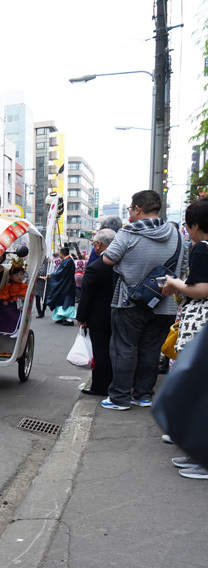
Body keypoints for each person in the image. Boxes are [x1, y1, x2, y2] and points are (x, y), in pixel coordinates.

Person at [99, 190, 181, 411]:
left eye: (130, 209)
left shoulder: (128, 232)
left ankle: (119, 398)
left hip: (129, 300)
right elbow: (182, 269)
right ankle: (144, 395)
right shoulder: (176, 233)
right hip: (164, 303)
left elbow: (108, 258)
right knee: (151, 349)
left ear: (137, 209)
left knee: (124, 348)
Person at [158, 199, 208, 475]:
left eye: (189, 226)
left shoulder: (201, 248)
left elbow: (201, 289)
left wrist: (174, 282)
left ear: (196, 226)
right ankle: (196, 452)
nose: (188, 231)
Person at [76, 229, 118, 396]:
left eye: (94, 244)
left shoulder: (96, 267)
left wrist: (81, 317)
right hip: (120, 313)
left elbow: (87, 295)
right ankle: (116, 383)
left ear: (99, 244)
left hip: (98, 315)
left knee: (100, 351)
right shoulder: (121, 263)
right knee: (117, 350)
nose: (94, 247)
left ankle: (100, 386)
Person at [45, 246, 76, 324]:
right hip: (65, 284)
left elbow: (61, 273)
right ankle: (62, 317)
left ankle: (69, 319)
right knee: (61, 300)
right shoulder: (68, 261)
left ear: (62, 253)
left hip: (67, 285)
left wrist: (52, 274)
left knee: (67, 301)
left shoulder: (68, 261)